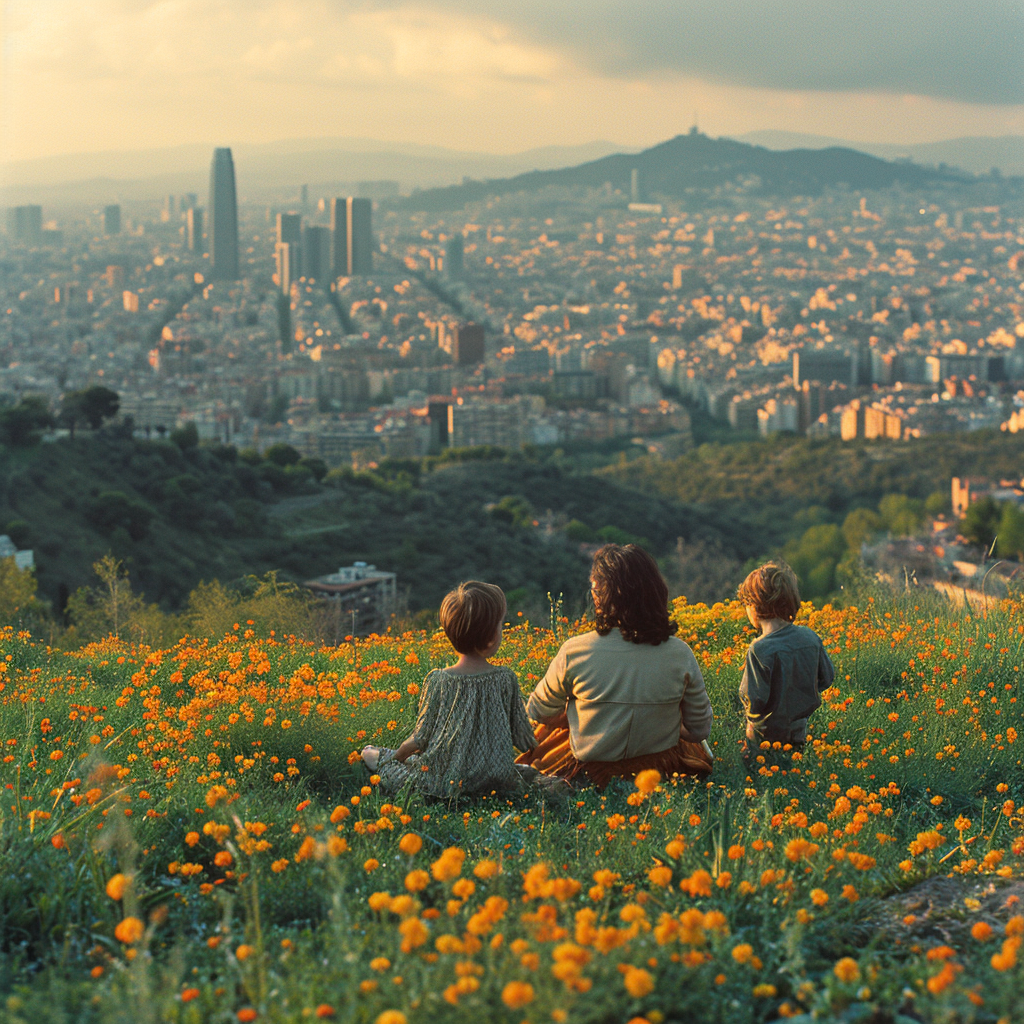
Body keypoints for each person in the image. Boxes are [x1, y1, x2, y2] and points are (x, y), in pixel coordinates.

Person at [518, 544, 713, 788]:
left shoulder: (575, 650)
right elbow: (698, 730)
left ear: (600, 594)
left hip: (593, 769)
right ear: (655, 592)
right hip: (658, 767)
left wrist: (575, 717)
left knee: (549, 732)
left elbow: (537, 711)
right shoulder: (680, 653)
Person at [361, 581, 538, 798]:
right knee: (527, 772)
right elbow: (524, 739)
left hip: (444, 782)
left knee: (370, 753)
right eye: (501, 624)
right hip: (495, 781)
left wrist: (397, 758)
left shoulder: (439, 680)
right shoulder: (505, 678)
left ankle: (384, 762)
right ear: (492, 637)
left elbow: (419, 739)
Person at [737, 560, 834, 752]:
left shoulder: (759, 649)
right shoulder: (810, 637)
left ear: (754, 606)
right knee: (793, 772)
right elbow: (827, 677)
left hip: (763, 738)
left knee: (762, 777)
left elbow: (754, 701)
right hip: (799, 729)